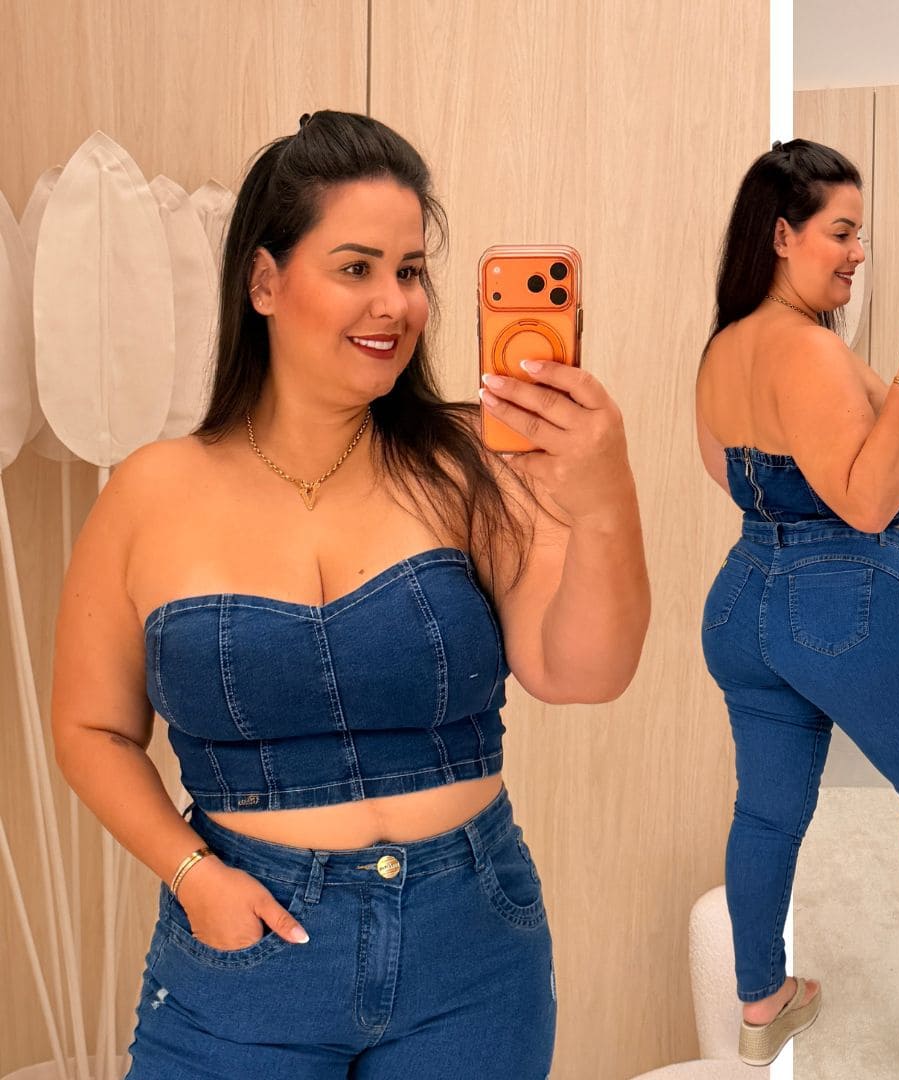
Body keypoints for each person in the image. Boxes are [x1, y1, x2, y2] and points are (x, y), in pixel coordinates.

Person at [51, 110, 649, 1079]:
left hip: (471, 948)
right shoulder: (150, 491)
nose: (394, 304)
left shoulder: (472, 462)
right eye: (356, 267)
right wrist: (194, 875)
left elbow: (583, 673)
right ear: (264, 281)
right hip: (249, 954)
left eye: (410, 271)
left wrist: (606, 497)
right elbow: (90, 729)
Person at [696, 139, 899, 1075]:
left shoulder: (727, 344)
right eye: (842, 232)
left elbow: (730, 472)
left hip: (742, 599)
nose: (858, 252)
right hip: (837, 603)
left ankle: (762, 1002)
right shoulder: (810, 351)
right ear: (783, 235)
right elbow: (866, 504)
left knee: (766, 812)